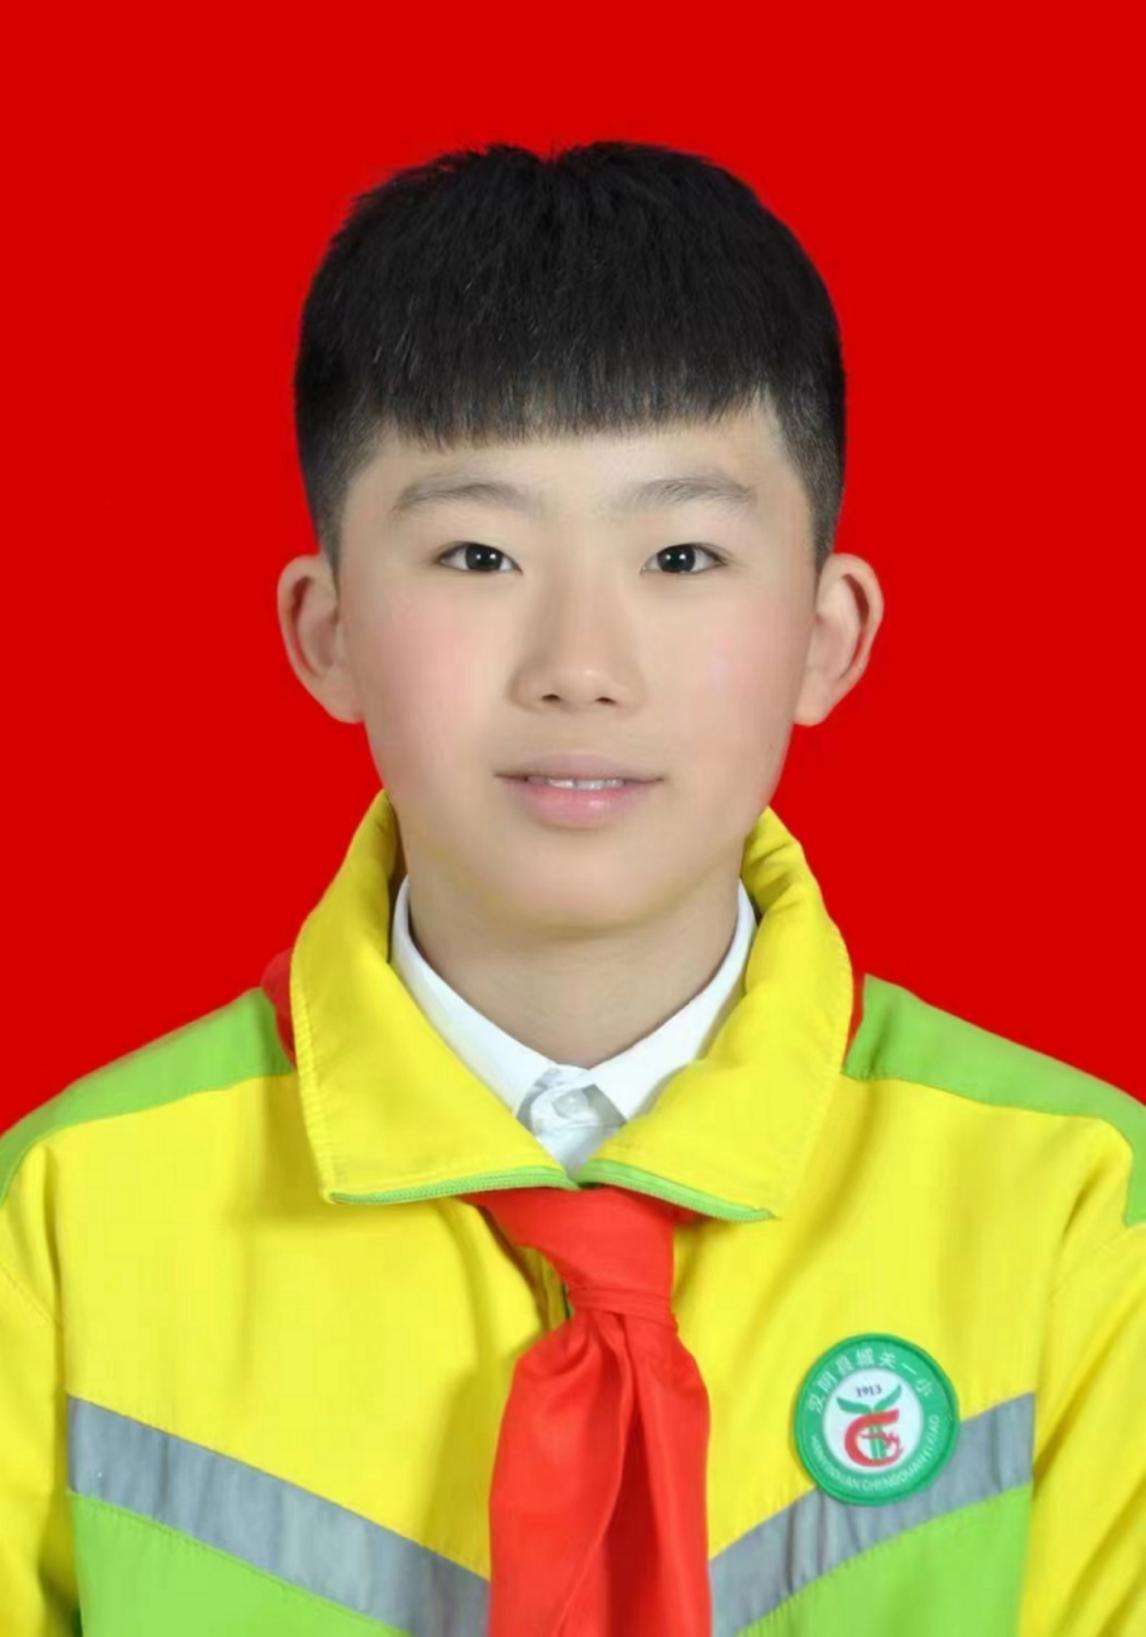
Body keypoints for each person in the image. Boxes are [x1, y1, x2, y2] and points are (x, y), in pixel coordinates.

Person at [1, 140, 1141, 1637]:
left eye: (683, 555)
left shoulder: (1078, 1208)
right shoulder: (66, 1219)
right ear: (326, 631)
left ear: (827, 636)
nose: (580, 668)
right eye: (478, 554)